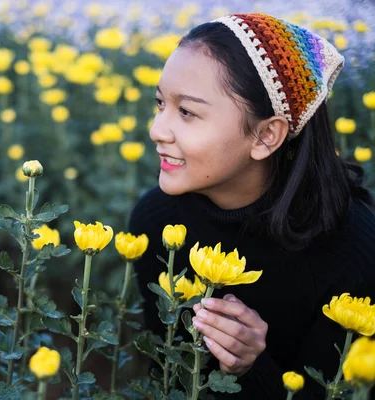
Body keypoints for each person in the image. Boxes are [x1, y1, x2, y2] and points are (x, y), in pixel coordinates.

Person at [128, 12, 375, 399]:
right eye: (161, 103)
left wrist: (250, 366)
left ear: (265, 136)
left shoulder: (354, 252)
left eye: (187, 112)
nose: (157, 130)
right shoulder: (157, 220)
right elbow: (167, 379)